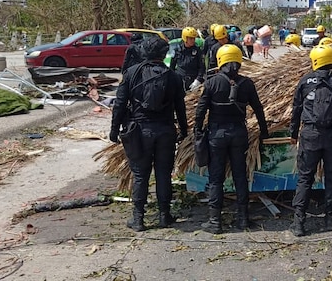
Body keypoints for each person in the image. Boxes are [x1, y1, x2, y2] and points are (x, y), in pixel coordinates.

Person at [109, 36, 188, 232]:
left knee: (140, 174)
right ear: (164, 54)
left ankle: (138, 219)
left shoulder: (131, 73)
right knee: (163, 174)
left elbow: (119, 104)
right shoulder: (174, 76)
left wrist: (114, 129)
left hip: (139, 131)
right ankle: (164, 215)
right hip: (165, 131)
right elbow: (181, 107)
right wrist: (184, 130)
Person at [193, 44, 269, 233]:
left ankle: (215, 221)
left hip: (217, 135)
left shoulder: (211, 83)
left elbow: (201, 110)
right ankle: (243, 219)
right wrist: (264, 131)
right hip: (239, 134)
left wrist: (197, 131)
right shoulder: (247, 83)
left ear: (220, 61)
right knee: (240, 176)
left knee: (216, 178)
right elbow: (258, 109)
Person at [288, 45, 332, 237]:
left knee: (305, 178)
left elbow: (296, 110)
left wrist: (293, 133)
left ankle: (299, 223)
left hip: (310, 136)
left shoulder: (305, 81)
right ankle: (330, 220)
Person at [170, 27, 207, 92]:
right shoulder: (177, 50)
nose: (193, 40)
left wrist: (197, 80)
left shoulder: (197, 51)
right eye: (191, 38)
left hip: (193, 82)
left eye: (194, 38)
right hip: (180, 81)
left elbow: (202, 67)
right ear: (185, 38)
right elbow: (172, 67)